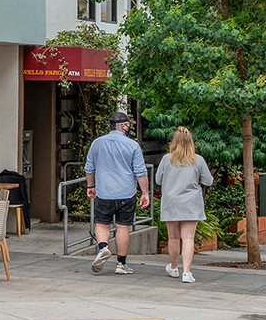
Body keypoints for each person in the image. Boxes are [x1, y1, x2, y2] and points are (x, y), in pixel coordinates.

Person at [86, 110, 151, 276]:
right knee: (122, 227)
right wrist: (145, 193)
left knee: (101, 224)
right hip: (126, 194)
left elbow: (89, 168)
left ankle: (103, 248)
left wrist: (90, 186)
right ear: (124, 126)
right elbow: (140, 172)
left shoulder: (97, 143)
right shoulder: (132, 145)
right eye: (128, 125)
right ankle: (121, 264)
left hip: (104, 193)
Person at [154, 127, 214, 285]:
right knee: (188, 238)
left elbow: (158, 180)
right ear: (191, 142)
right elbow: (208, 181)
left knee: (173, 238)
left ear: (173, 142)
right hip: (191, 203)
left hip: (171, 202)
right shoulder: (198, 160)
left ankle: (174, 267)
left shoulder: (167, 159)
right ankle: (186, 272)